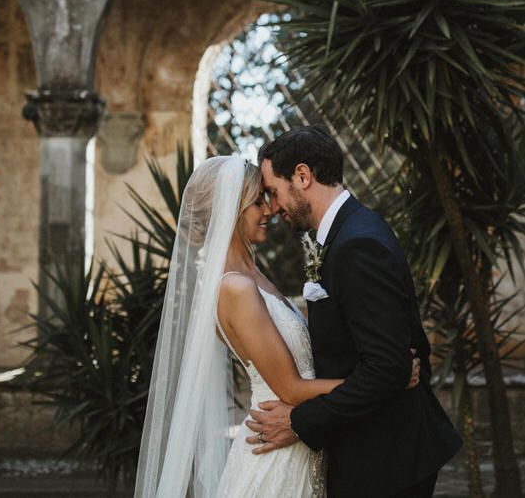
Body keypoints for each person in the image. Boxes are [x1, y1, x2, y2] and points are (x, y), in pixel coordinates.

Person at [134, 154, 420, 498]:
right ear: (230, 210)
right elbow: (292, 389)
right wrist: (389, 377)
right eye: (257, 202)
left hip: (299, 442)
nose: (269, 211)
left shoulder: (252, 277)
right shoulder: (234, 288)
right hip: (274, 453)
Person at [247, 126, 462, 497]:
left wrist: (300, 421)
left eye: (273, 191)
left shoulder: (357, 244)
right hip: (371, 449)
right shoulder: (348, 233)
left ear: (303, 176)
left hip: (385, 461)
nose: (274, 207)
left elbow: (386, 369)